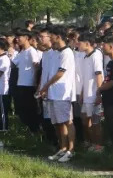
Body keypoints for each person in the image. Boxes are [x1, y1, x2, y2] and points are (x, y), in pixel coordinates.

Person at [39, 28, 77, 162]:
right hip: (53, 93)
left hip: (63, 93)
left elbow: (60, 73)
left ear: (59, 37)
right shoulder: (55, 53)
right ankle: (62, 147)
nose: (50, 38)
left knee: (67, 121)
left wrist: (45, 86)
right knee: (58, 123)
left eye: (52, 36)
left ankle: (71, 150)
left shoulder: (67, 53)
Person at [75, 33, 105, 153]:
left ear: (87, 44)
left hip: (94, 95)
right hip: (86, 94)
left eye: (80, 42)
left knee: (96, 122)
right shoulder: (85, 57)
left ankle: (99, 145)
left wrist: (99, 94)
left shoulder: (95, 56)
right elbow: (84, 77)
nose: (78, 45)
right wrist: (82, 93)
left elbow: (99, 75)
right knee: (85, 120)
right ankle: (90, 142)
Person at [11, 31, 41, 133]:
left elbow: (36, 66)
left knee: (30, 108)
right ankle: (28, 128)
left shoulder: (32, 51)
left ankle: (35, 129)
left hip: (29, 84)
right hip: (21, 83)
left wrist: (36, 82)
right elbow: (13, 64)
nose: (17, 39)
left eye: (19, 37)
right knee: (22, 108)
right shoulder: (22, 52)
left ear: (27, 37)